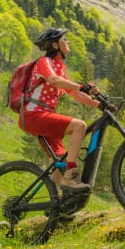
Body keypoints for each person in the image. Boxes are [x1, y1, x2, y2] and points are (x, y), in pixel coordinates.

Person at [21, 27, 101, 193]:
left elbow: (75, 93)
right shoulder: (44, 63)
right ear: (55, 45)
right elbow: (54, 81)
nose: (68, 42)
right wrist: (82, 86)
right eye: (65, 39)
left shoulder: (59, 68)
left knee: (60, 160)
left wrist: (99, 104)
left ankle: (56, 205)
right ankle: (70, 177)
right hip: (33, 114)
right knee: (79, 126)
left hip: (43, 116)